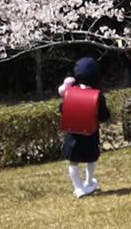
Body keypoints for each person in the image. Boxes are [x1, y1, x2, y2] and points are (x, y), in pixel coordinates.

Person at [57, 56, 111, 198]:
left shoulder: (70, 92)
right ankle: (89, 182)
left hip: (73, 134)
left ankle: (78, 187)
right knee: (91, 158)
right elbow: (103, 115)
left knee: (73, 162)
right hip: (90, 134)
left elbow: (62, 109)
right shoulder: (97, 95)